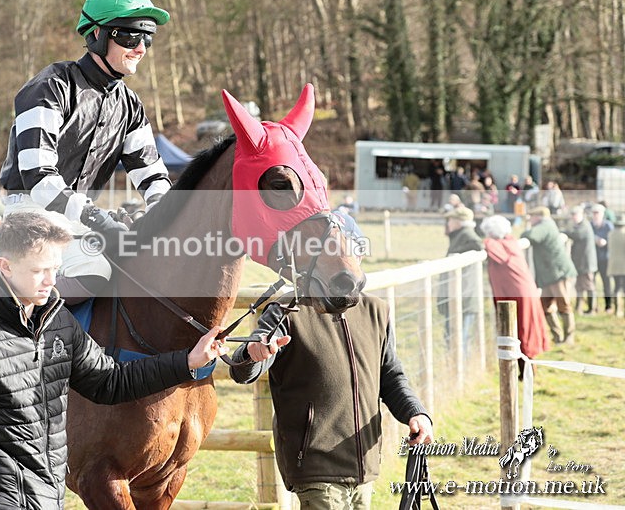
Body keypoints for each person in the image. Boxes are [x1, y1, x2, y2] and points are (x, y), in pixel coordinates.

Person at [0, 212, 230, 509]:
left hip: (48, 498)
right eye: (38, 271)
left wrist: (187, 361)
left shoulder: (60, 324)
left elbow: (112, 381)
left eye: (55, 270)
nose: (51, 281)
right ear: (6, 267)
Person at [0, 0, 173, 298]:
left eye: (147, 38)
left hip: (78, 220)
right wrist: (98, 218)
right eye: (131, 36)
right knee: (95, 273)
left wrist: (160, 215)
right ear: (96, 35)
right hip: (30, 214)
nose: (141, 48)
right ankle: (16, 317)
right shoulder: (50, 86)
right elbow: (38, 177)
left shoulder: (130, 105)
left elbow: (153, 176)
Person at [228, 298, 433, 509]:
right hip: (316, 466)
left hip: (364, 468)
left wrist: (415, 413)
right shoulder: (286, 311)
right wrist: (252, 353)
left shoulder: (377, 310)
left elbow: (391, 377)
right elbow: (242, 371)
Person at [481, 215, 549, 378]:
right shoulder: (511, 242)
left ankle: (526, 372)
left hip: (517, 294)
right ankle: (525, 371)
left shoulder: (498, 246)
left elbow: (495, 251)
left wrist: (487, 241)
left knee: (521, 331)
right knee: (523, 330)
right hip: (522, 291)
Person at [522, 207, 577, 344]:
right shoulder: (547, 225)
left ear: (538, 216)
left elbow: (531, 235)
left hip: (557, 272)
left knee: (563, 303)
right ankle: (558, 336)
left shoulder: (545, 226)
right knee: (545, 305)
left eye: (532, 217)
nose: (530, 220)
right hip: (549, 274)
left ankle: (569, 336)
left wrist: (524, 231)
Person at [437, 206, 484, 355]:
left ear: (459, 221)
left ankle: (460, 366)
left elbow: (479, 245)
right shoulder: (459, 235)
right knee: (456, 337)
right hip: (461, 295)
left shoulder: (467, 235)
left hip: (463, 296)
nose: (448, 223)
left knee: (459, 338)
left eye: (450, 219)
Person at [563, 205, 598, 314]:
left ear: (581, 214)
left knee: (589, 285)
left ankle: (592, 309)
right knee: (579, 286)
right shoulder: (579, 225)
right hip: (580, 262)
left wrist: (564, 232)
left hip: (586, 263)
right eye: (572, 215)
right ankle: (579, 308)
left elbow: (577, 235)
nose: (574, 217)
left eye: (575, 214)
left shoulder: (584, 226)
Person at [590, 203, 615, 313]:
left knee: (606, 283)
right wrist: (595, 240)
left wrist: (606, 242)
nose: (596, 215)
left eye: (597, 213)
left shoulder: (608, 226)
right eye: (594, 213)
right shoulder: (590, 226)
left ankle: (608, 306)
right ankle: (593, 306)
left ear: (602, 214)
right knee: (591, 283)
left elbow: (614, 240)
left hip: (605, 258)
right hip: (593, 259)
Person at [606, 215, 625, 316]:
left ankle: (617, 310)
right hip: (623, 265)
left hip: (613, 265)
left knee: (616, 287)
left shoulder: (610, 234)